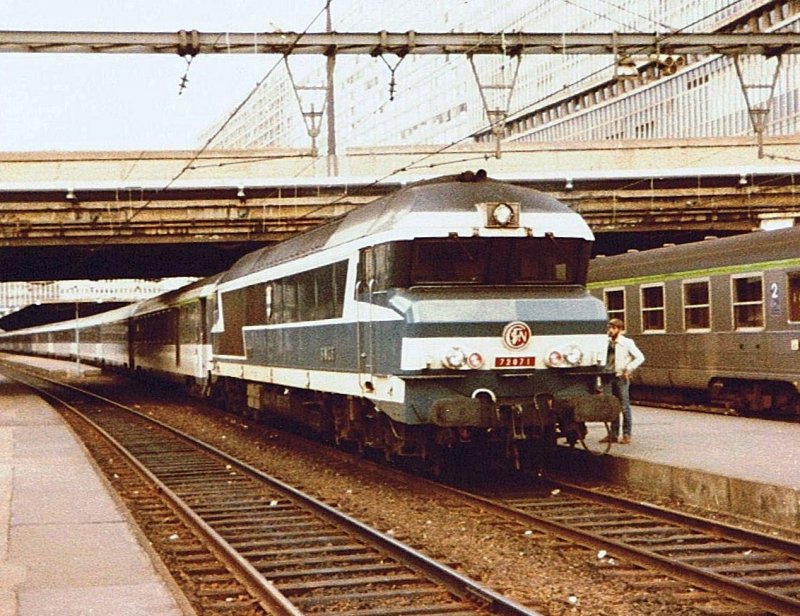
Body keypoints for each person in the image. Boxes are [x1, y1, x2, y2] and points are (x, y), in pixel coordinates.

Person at [600, 318, 645, 444]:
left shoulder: (627, 342)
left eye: (612, 328)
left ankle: (626, 434)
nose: (610, 331)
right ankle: (613, 434)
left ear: (619, 329)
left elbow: (640, 357)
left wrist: (629, 369)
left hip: (620, 377)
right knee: (611, 406)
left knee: (625, 406)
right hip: (607, 376)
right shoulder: (605, 342)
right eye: (609, 328)